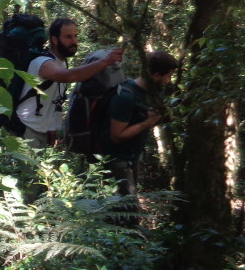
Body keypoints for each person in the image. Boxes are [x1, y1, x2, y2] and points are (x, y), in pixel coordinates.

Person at [15, 18, 124, 149]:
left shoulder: (61, 62)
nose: (74, 41)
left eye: (75, 36)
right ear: (54, 40)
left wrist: (51, 128)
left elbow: (53, 98)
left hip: (40, 132)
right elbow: (68, 76)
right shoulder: (43, 63)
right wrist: (106, 61)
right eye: (68, 37)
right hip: (24, 130)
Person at [98, 50, 179, 221]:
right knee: (126, 216)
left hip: (131, 160)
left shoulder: (146, 94)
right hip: (117, 162)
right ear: (156, 75)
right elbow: (117, 135)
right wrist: (148, 122)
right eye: (168, 76)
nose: (169, 81)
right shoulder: (126, 96)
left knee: (125, 214)